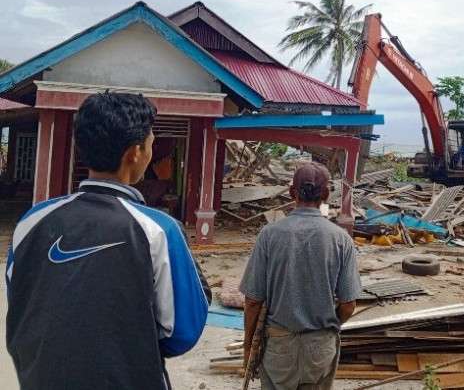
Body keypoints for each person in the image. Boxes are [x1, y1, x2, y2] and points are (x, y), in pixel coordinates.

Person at [6, 91, 211, 389]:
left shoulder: (32, 220)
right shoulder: (157, 230)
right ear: (135, 152)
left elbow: (23, 302)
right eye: (152, 143)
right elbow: (181, 333)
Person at [239, 162, 362, 389]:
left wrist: (249, 347)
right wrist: (326, 329)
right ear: (325, 194)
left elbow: (253, 300)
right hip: (321, 348)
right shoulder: (341, 239)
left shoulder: (270, 235)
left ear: (291, 192)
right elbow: (348, 305)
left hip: (279, 347)